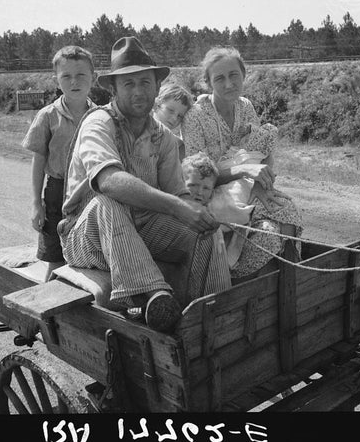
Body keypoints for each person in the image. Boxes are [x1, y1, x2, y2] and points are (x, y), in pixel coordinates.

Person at [57, 37, 231, 332]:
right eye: (129, 84)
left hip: (141, 228)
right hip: (87, 236)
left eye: (145, 83)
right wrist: (178, 205)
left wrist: (196, 211)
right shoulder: (98, 123)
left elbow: (177, 193)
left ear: (156, 87)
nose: (139, 92)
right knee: (108, 200)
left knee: (205, 232)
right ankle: (155, 296)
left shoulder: (161, 136)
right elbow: (109, 181)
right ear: (113, 89)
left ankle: (214, 312)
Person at [181, 47, 302, 278]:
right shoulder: (195, 116)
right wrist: (244, 170)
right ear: (208, 83)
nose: (228, 84)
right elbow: (197, 176)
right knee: (268, 234)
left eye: (233, 75)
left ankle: (290, 283)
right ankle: (241, 285)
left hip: (247, 189)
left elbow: (263, 149)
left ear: (243, 75)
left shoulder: (245, 106)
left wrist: (260, 183)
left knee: (287, 210)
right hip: (211, 195)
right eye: (220, 78)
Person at [22, 45, 96, 266]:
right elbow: (39, 161)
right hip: (57, 191)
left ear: (94, 77)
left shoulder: (99, 116)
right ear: (57, 81)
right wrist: (37, 203)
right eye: (66, 76)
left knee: (86, 254)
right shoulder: (47, 116)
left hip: (88, 191)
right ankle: (51, 296)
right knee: (55, 257)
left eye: (81, 75)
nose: (74, 82)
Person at [152, 82, 193, 158]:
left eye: (180, 116)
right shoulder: (133, 135)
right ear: (156, 105)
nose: (174, 118)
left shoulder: (177, 146)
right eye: (170, 110)